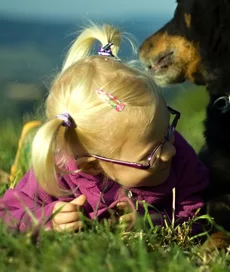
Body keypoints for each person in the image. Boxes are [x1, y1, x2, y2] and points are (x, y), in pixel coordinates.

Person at [0, 24, 209, 234]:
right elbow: (6, 214)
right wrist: (47, 219)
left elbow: (197, 208)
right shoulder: (58, 173)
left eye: (168, 132)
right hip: (57, 161)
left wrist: (152, 220)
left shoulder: (177, 153)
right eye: (151, 154)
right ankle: (31, 144)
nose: (170, 151)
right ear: (91, 166)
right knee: (32, 164)